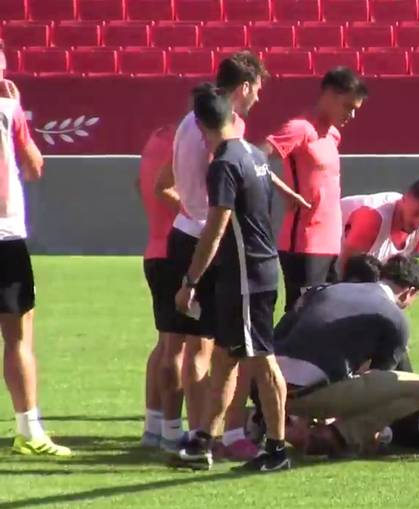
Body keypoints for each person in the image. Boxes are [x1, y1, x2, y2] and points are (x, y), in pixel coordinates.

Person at [171, 86, 290, 472]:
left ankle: (276, 449)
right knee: (225, 359)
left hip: (246, 276)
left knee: (261, 360)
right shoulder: (254, 154)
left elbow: (216, 228)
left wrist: (190, 281)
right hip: (256, 269)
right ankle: (204, 439)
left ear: (202, 126)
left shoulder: (223, 163)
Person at [276, 255, 419, 458]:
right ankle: (337, 434)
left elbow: (278, 336)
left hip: (272, 388)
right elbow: (379, 377)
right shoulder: (395, 317)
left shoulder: (328, 289)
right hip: (310, 397)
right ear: (409, 292)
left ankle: (277, 420)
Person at [0, 63, 70, 456]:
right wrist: (16, 107)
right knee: (18, 335)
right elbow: (34, 165)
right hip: (5, 235)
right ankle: (28, 428)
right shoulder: (8, 108)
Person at [262, 67, 368, 311]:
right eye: (348, 106)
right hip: (303, 243)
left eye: (355, 109)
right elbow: (253, 158)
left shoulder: (333, 135)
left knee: (326, 318)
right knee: (300, 317)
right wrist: (284, 190)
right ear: (329, 95)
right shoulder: (300, 128)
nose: (351, 115)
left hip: (331, 243)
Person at [137, 123, 180, 449]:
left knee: (165, 345)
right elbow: (157, 187)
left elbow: (141, 183)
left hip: (155, 249)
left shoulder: (158, 136)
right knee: (184, 349)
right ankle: (172, 431)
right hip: (179, 251)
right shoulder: (189, 140)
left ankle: (154, 427)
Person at [339, 178, 419, 273]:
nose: (418, 224)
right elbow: (346, 269)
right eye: (415, 213)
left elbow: (404, 268)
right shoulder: (373, 218)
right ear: (403, 201)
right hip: (328, 247)